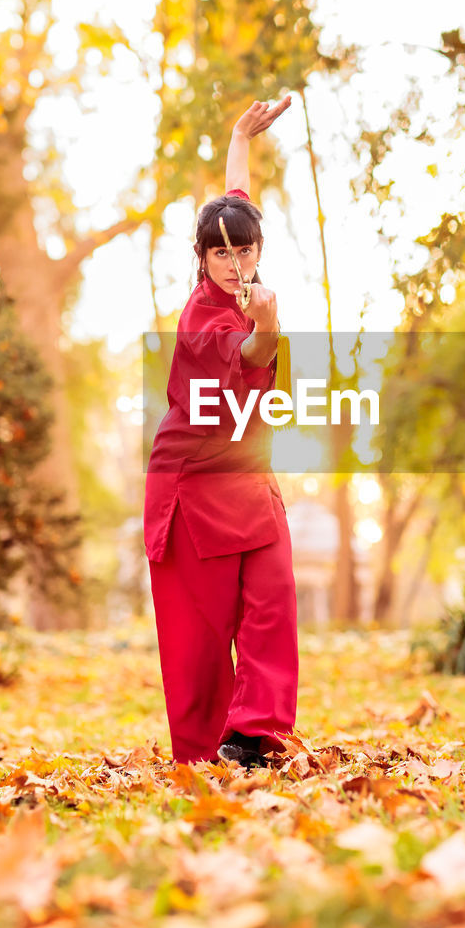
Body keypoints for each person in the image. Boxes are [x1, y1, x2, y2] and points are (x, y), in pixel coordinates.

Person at [143, 97, 298, 770]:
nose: (235, 262)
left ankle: (254, 734)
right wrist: (267, 327)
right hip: (189, 484)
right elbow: (251, 359)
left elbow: (237, 196)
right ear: (202, 258)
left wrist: (241, 135)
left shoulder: (243, 265)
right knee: (200, 634)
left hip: (244, 474)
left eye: (246, 249)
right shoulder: (204, 320)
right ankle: (212, 750)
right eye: (221, 252)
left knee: (272, 598)